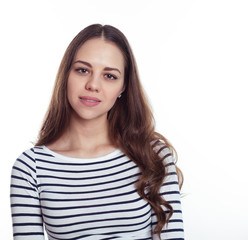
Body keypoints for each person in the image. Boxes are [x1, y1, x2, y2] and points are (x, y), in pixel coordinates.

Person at [10, 24, 184, 240]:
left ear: (123, 87)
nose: (93, 85)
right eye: (83, 70)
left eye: (109, 76)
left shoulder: (152, 154)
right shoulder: (31, 168)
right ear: (66, 75)